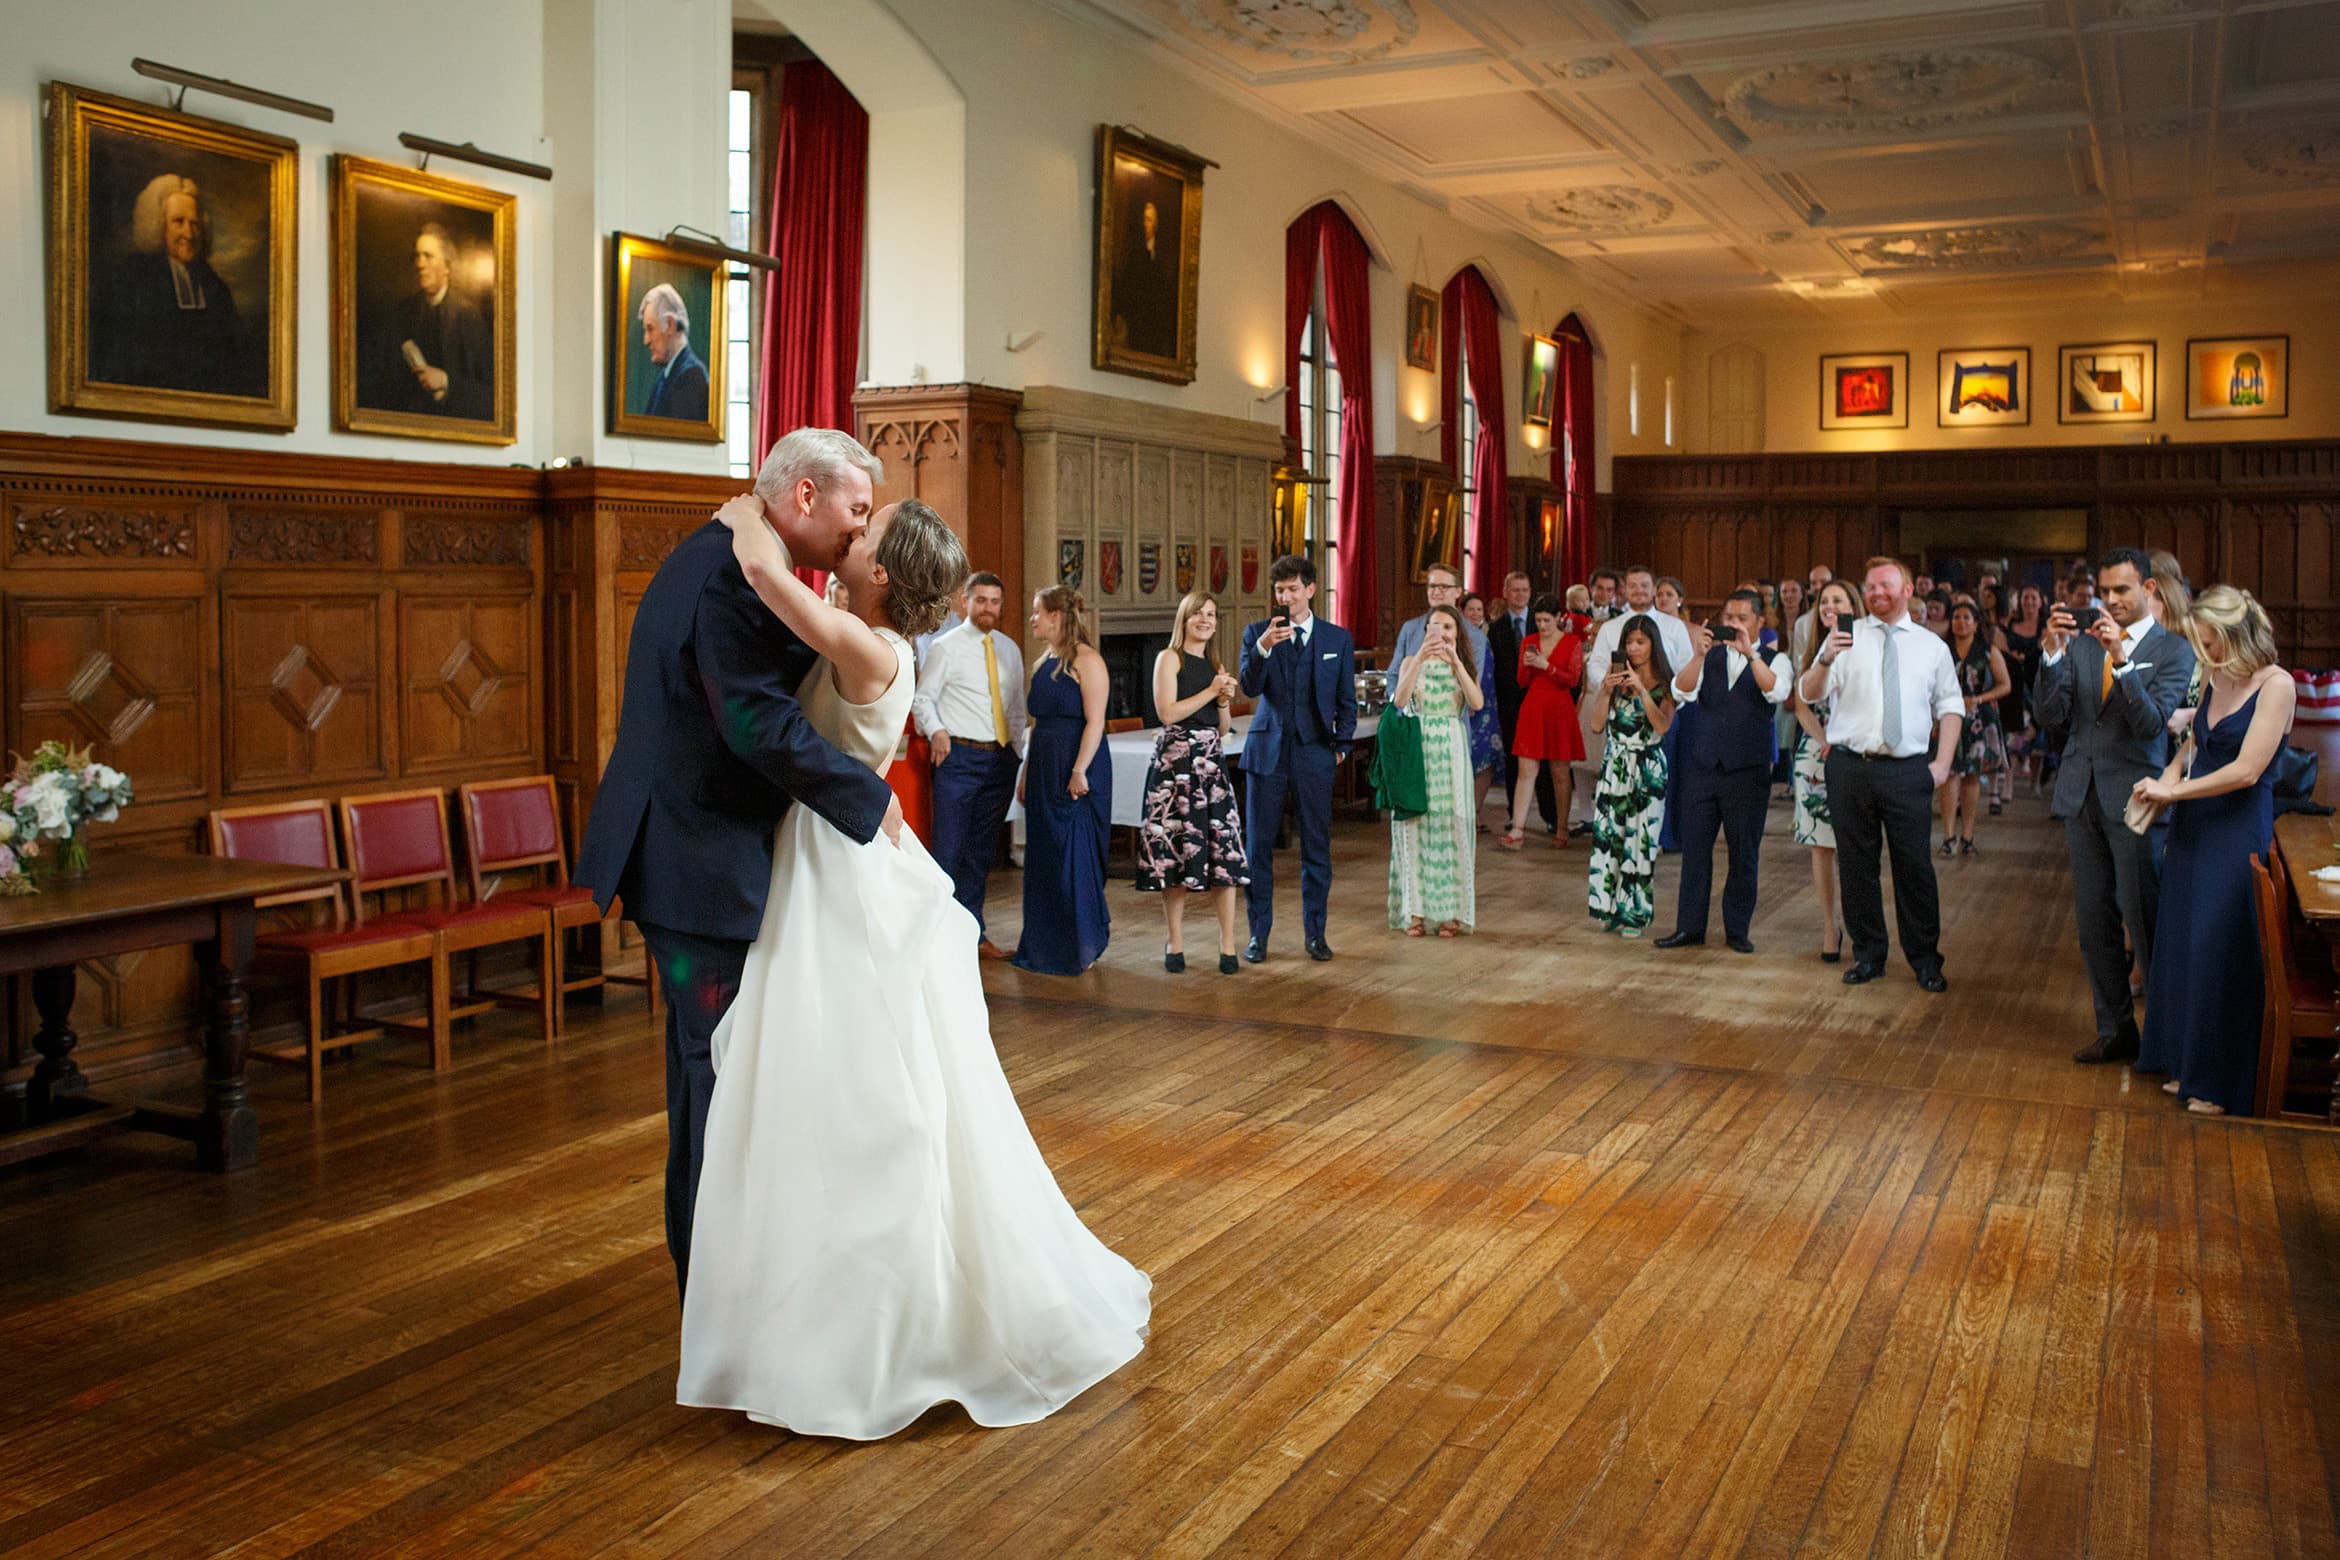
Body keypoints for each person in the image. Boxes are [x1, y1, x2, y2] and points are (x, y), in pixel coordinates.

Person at [675, 481, 1148, 1437]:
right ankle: (801, 1316)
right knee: (821, 1089)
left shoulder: (874, 647)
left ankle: (873, 1332)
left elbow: (768, 577)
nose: (854, 527)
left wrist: (742, 513)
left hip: (831, 875)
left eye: (868, 530)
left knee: (856, 1091)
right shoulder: (873, 632)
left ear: (882, 573)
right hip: (823, 856)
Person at [574, 427, 907, 1298]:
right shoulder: (730, 574)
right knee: (713, 1081)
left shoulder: (734, 558)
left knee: (723, 1076)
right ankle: (715, 1299)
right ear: (806, 497)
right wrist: (873, 802)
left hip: (696, 853)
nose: (857, 529)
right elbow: (760, 725)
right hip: (693, 865)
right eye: (855, 510)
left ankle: (736, 1288)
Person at [2133, 586, 2296, 1115]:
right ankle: (2187, 1066)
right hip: (2193, 827)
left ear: (2240, 635)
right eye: (2203, 645)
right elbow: (2196, 743)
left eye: (2214, 644)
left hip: (2235, 831)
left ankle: (2221, 1084)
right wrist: (2166, 776)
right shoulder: (2215, 675)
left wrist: (2174, 792)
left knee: (2222, 948)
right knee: (2185, 946)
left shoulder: (2278, 686)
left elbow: (2247, 770)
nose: (2208, 655)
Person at [2035, 548, 2197, 1064]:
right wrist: (2053, 654)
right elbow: (2051, 715)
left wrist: (2123, 663)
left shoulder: (2174, 650)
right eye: (2104, 592)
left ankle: (2166, 1040)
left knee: (2144, 918)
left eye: (2122, 590)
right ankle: (2115, 1029)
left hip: (2135, 799)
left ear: (2148, 589)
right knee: (2093, 920)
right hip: (2080, 793)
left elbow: (2152, 727)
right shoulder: (2082, 646)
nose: (2110, 601)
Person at [1800, 557, 1964, 991]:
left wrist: (1942, 765)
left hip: (1908, 770)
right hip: (1850, 767)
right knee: (1856, 868)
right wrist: (1825, 660)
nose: (1877, 593)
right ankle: (1869, 955)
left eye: (1886, 586)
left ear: (1907, 590)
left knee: (1914, 868)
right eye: (1870, 587)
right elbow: (1808, 693)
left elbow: (1951, 707)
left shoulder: (1931, 647)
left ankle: (1926, 960)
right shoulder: (1843, 636)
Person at [1657, 588, 1793, 953]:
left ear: (1759, 622)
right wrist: (1699, 657)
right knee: (1695, 851)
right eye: (1728, 617)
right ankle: (1689, 927)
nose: (1732, 625)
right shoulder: (1710, 656)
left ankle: (1737, 929)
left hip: (1747, 770)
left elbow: (1776, 692)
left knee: (1743, 852)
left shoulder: (1775, 659)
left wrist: (1751, 655)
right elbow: (1680, 690)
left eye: (1741, 618)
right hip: (1703, 766)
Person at [1239, 554, 1357, 964]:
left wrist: (1342, 746)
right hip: (1267, 751)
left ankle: (1316, 935)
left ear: (1310, 589)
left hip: (1316, 752)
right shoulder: (1257, 633)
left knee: (1316, 847)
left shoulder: (1336, 638)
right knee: (1258, 847)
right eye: (1279, 590)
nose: (1285, 597)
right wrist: (1264, 649)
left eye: (1292, 589)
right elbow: (1249, 687)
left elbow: (1347, 698)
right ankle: (1258, 936)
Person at [912, 571, 1027, 958]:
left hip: (999, 761)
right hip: (958, 759)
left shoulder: (1009, 648)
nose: (988, 609)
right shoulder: (945, 647)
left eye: (995, 602)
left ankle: (974, 936)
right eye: (981, 600)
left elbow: (1015, 707)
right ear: (965, 601)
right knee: (948, 851)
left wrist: (1017, 754)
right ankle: (938, 942)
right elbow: (922, 699)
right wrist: (937, 731)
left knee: (980, 854)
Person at [1137, 590, 1246, 974]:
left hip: (1210, 763)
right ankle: (1175, 940)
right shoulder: (1170, 658)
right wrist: (1212, 692)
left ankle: (1228, 943)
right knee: (1176, 851)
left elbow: (1224, 726)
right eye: (1198, 613)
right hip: (1175, 763)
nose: (1206, 620)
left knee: (1223, 851)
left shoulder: (1215, 663)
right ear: (1184, 618)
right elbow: (1168, 713)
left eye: (1212, 615)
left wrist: (1222, 700)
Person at [1014, 587, 1112, 976]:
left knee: (1075, 854)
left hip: (1077, 764)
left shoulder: (1087, 661)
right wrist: (1025, 770)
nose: (1033, 619)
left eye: (1038, 612)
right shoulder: (1044, 662)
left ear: (1056, 616)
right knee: (1045, 855)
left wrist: (1079, 770)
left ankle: (1079, 945)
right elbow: (1036, 725)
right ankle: (1043, 946)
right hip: (1042, 764)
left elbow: (1096, 721)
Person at [96, 173, 260, 396]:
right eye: (178, 222)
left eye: (194, 224)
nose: (188, 233)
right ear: (157, 224)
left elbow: (234, 357)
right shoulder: (133, 279)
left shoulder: (214, 286)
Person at [1387, 604, 1482, 937]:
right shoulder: (1412, 661)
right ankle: (1414, 911)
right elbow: (1399, 701)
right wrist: (1419, 657)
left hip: (1451, 749)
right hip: (1419, 747)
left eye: (1447, 627)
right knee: (1415, 826)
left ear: (1457, 633)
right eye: (1433, 626)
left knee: (1449, 826)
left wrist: (1455, 661)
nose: (1440, 633)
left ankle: (1450, 913)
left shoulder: (1462, 665)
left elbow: (1476, 702)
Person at [1585, 615, 1674, 937]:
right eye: (1629, 643)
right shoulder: (1614, 677)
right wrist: (1605, 693)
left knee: (1641, 842)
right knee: (1609, 839)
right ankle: (1607, 909)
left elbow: (1662, 726)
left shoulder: (1665, 680)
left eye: (1641, 642)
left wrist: (1641, 691)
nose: (1634, 649)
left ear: (1653, 644)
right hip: (1615, 765)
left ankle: (1634, 913)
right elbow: (1596, 726)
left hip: (1647, 766)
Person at [1792, 580, 1862, 962]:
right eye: (1824, 601)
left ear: (1854, 605)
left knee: (1853, 844)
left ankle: (1860, 925)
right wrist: (1822, 740)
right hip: (1818, 752)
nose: (1829, 606)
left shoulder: (1866, 643)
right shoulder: (1813, 648)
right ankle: (1827, 925)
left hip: (1855, 749)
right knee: (1821, 846)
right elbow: (1801, 704)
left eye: (1838, 600)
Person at [369, 222, 493, 419]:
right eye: (417, 256)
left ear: (447, 267)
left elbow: (492, 395)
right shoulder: (402, 314)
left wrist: (446, 381)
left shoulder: (468, 317)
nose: (420, 264)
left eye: (428, 256)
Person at [1500, 594, 1585, 851]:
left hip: (1559, 708)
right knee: (1526, 771)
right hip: (1533, 708)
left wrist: (1546, 666)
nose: (1542, 626)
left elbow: (1572, 680)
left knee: (1559, 772)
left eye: (1547, 620)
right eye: (1538, 620)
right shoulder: (1529, 641)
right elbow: (1522, 681)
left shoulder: (1571, 642)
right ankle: (1517, 828)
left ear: (1559, 618)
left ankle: (1561, 828)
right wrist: (1527, 665)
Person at [1937, 599, 2011, 855]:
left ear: (1976, 623)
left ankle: (1968, 835)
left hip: (1979, 715)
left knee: (1971, 775)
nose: (1960, 622)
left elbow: (2005, 685)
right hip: (1948, 715)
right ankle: (1948, 836)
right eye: (1956, 617)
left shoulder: (1988, 650)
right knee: (1948, 774)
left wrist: (1979, 698)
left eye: (1966, 618)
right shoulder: (1941, 649)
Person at [1486, 571, 1555, 835]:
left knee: (1545, 761)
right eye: (1515, 590)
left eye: (1524, 590)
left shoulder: (1541, 625)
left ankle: (1550, 816)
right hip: (1510, 705)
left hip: (1540, 701)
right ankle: (1516, 817)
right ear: (1505, 593)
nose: (1520, 595)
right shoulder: (1496, 627)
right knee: (1514, 761)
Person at [1585, 565, 1693, 683]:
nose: (1639, 590)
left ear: (1654, 590)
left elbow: (1686, 665)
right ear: (1625, 590)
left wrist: (1672, 693)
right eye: (1632, 586)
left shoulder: (1675, 626)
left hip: (1666, 697)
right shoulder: (1609, 628)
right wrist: (1612, 685)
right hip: (1620, 696)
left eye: (1644, 585)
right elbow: (1596, 664)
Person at [1391, 563, 1489, 679]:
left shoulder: (1476, 636)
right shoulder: (1409, 628)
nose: (1436, 592)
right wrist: (1396, 696)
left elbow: (1473, 682)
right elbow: (1393, 674)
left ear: (1458, 592)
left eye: (1444, 587)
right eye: (1432, 586)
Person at [1458, 591, 1502, 824]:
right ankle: (1463, 814)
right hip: (1469, 705)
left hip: (1488, 706)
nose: (1475, 613)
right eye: (1470, 609)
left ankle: (1474, 812)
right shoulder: (1459, 636)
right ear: (1462, 612)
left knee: (1487, 759)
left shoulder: (1484, 634)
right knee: (1466, 759)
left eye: (1479, 609)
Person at [637, 282, 709, 420]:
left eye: (650, 329)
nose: (646, 341)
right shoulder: (668, 376)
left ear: (670, 325)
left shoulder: (691, 378)